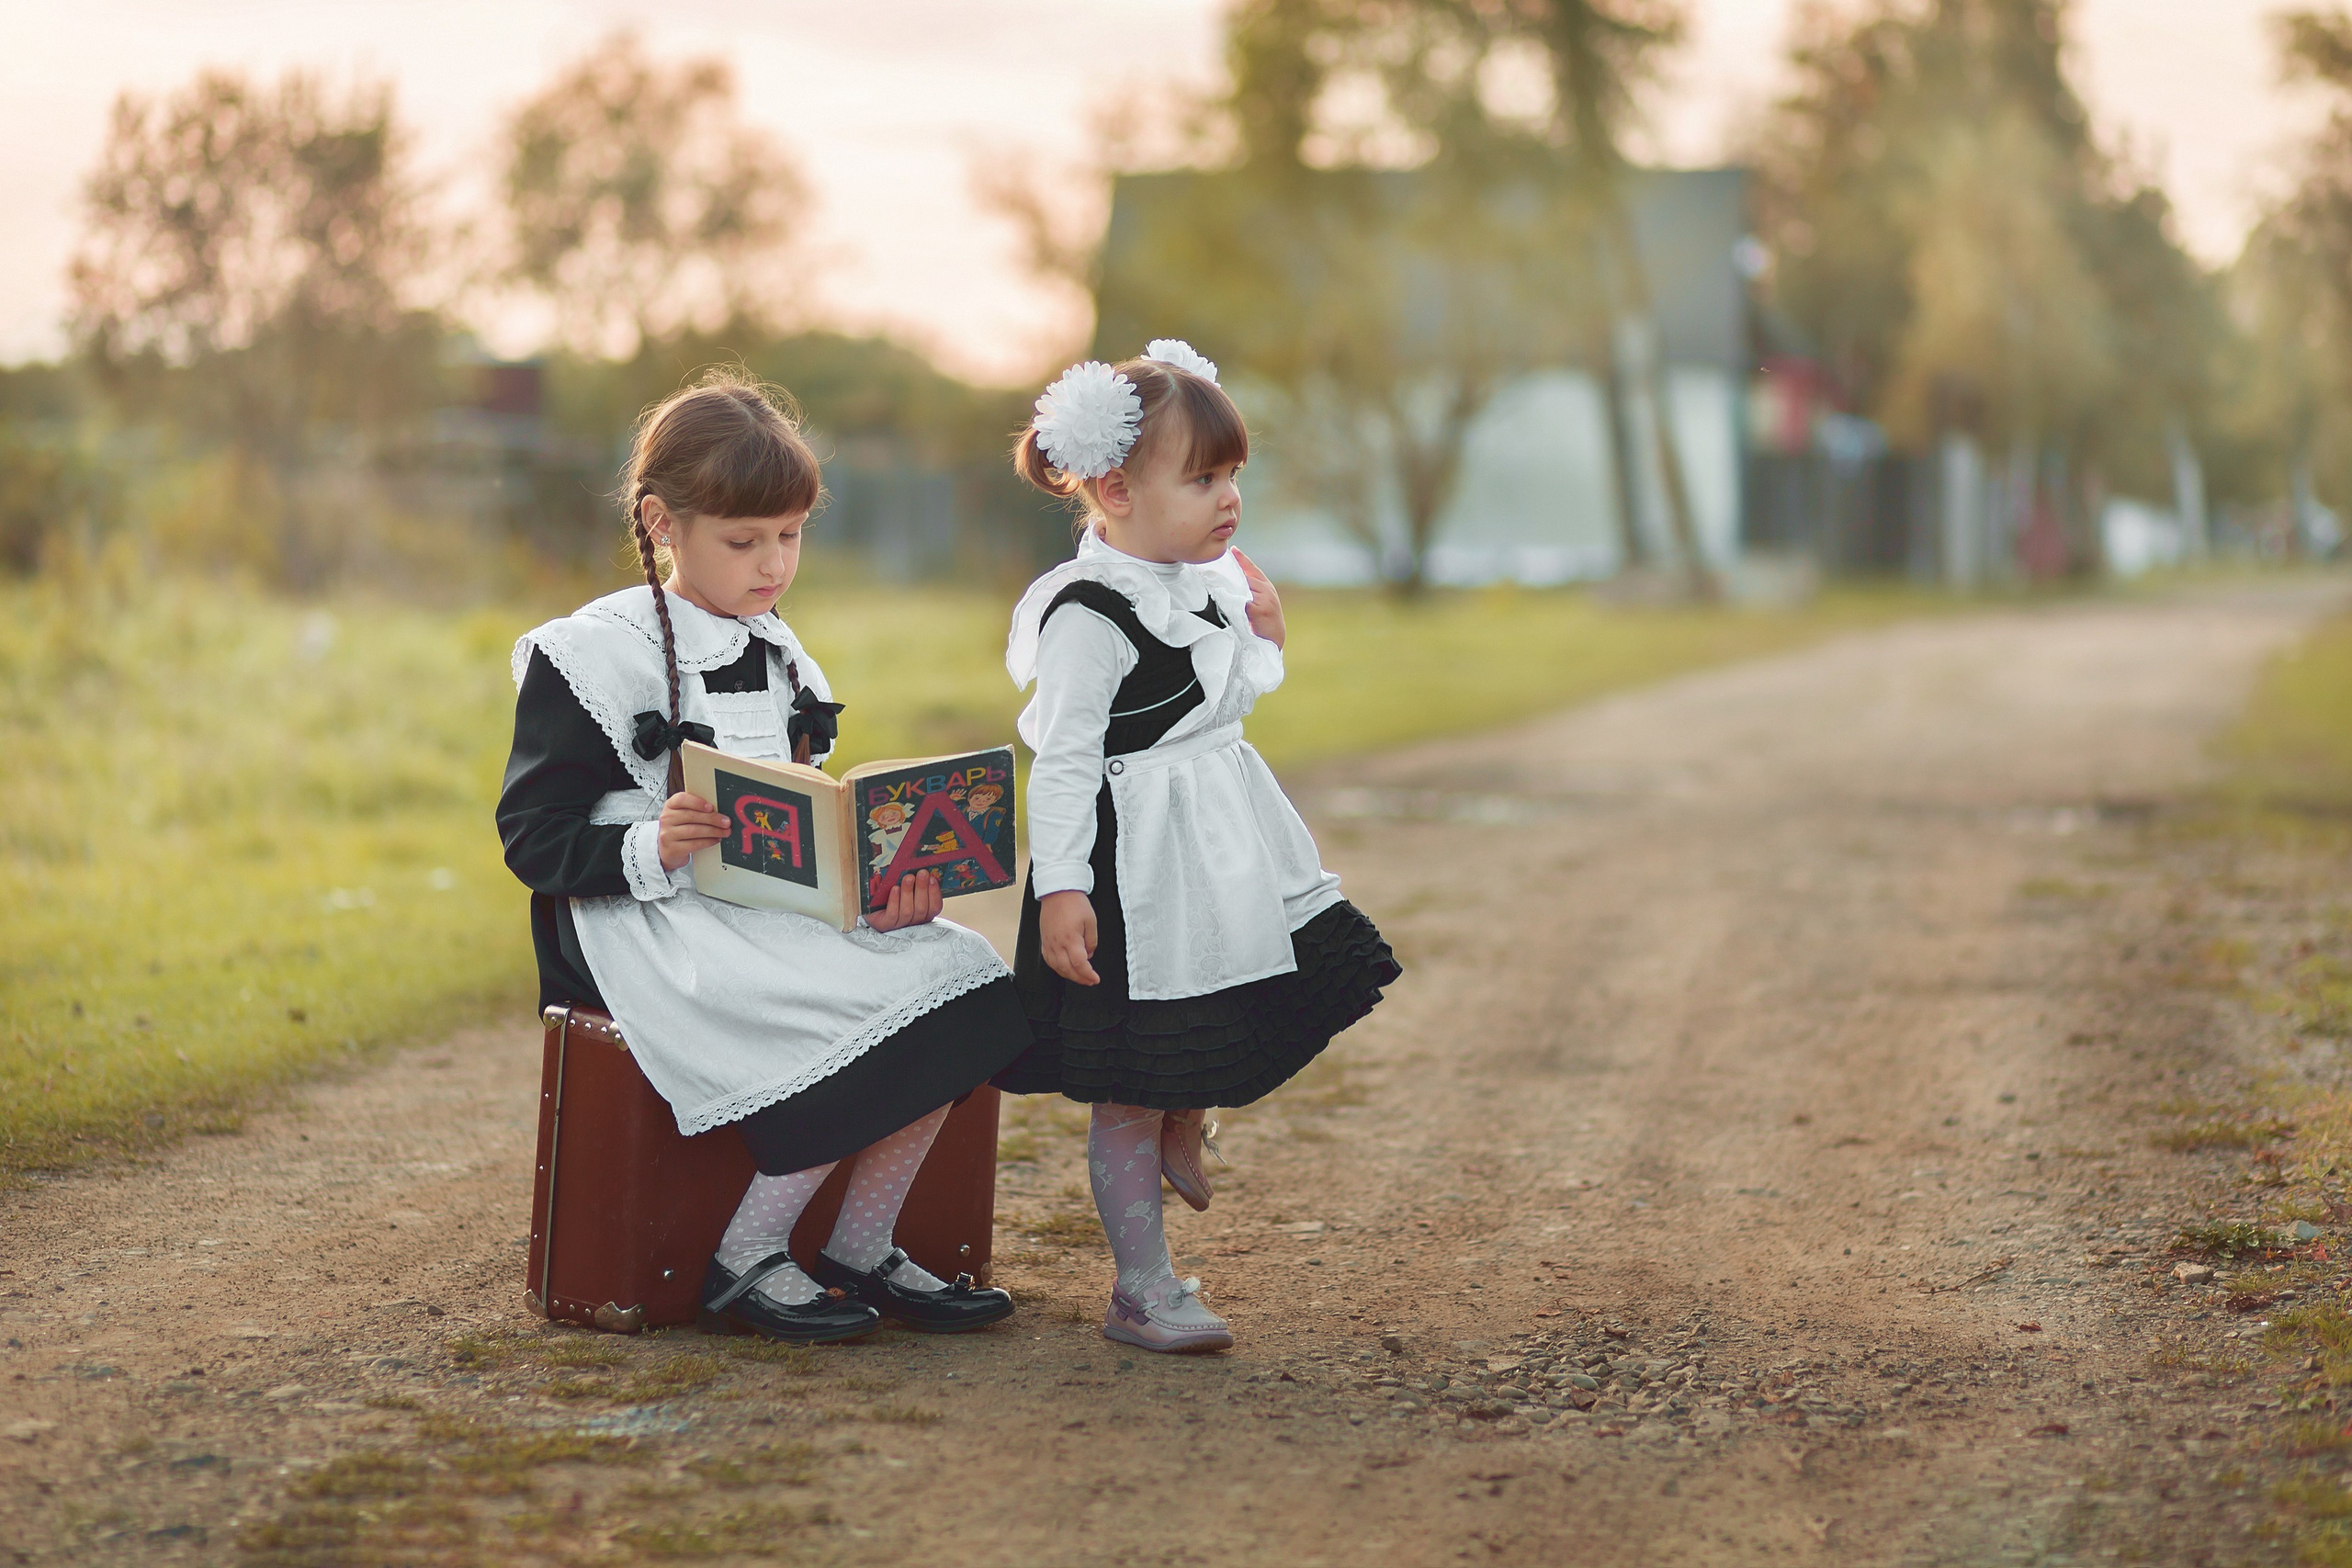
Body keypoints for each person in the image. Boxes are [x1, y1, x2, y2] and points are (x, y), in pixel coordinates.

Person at [497, 370, 1029, 1344]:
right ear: (662, 522)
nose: (773, 564)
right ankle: (749, 1255)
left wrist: (875, 895)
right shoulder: (590, 653)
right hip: (642, 920)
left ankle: (862, 1247)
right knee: (847, 1010)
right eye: (743, 542)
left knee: (966, 976)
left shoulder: (785, 656)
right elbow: (531, 839)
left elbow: (805, 829)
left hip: (767, 911)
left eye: (790, 535)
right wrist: (653, 843)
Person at [995, 341, 1403, 1354]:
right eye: (1203, 478)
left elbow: (1212, 699)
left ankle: (1187, 1105)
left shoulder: (1201, 576)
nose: (1228, 501)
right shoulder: (1086, 617)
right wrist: (1062, 890)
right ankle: (1142, 1286)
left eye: (1233, 477)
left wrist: (1262, 632)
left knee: (1233, 1004)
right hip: (1132, 864)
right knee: (1132, 1073)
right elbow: (1062, 760)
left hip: (1222, 843)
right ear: (1116, 489)